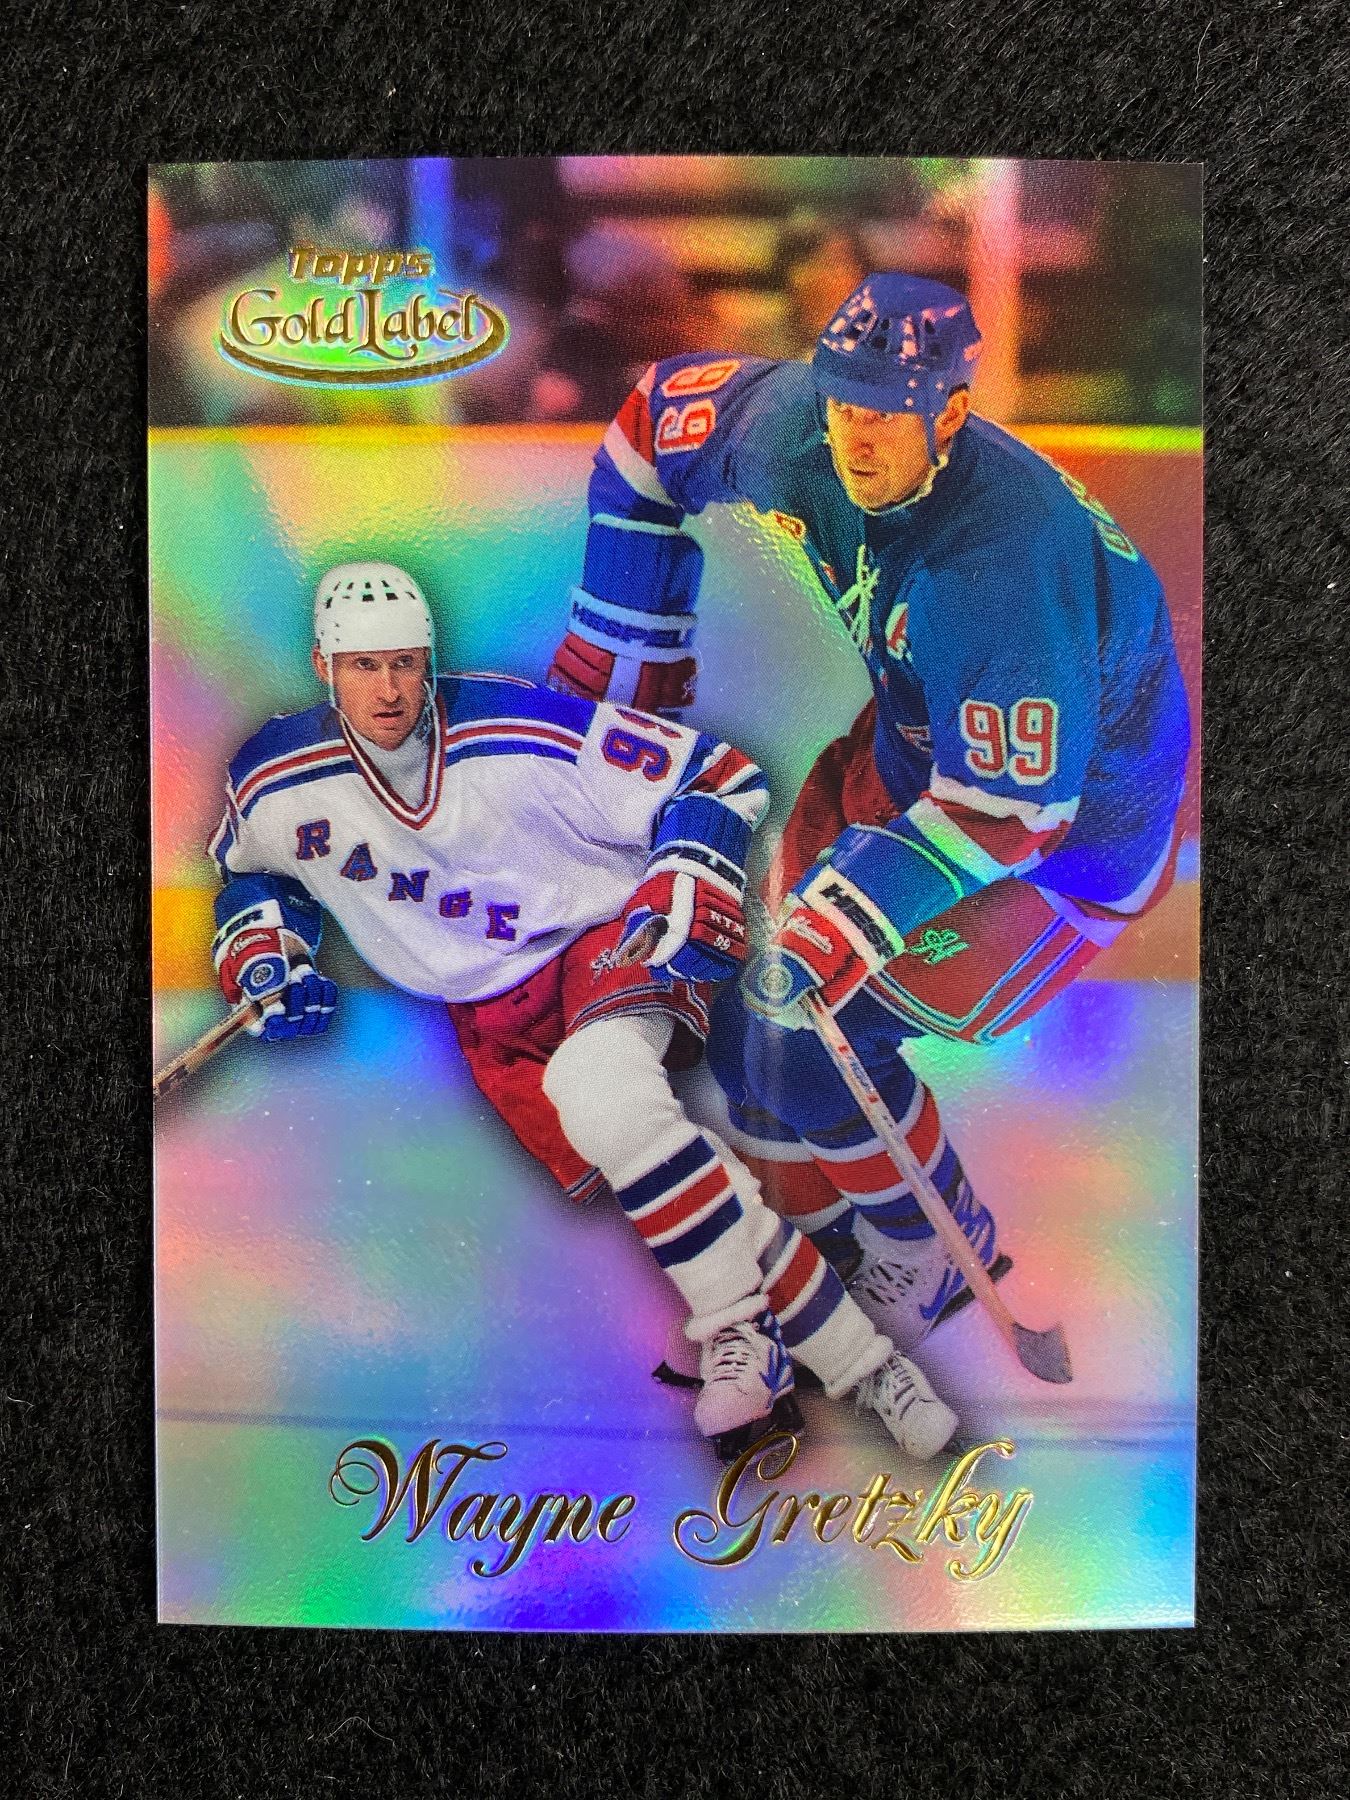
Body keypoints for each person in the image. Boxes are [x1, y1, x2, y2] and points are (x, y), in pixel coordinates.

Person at [547, 271, 1191, 1355]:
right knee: (747, 1031)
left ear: (952, 410)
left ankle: (930, 1250)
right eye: (843, 400)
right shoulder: (795, 429)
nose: (854, 434)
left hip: (1069, 845)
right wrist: (627, 643)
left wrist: (844, 919)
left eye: (887, 411)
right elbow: (653, 422)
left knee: (802, 1035)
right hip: (914, 750)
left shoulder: (1001, 568)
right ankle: (815, 1259)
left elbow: (1012, 815)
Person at [205, 559, 959, 1461]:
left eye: (405, 663)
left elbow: (717, 776)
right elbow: (251, 878)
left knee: (602, 1094)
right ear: (324, 669)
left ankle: (737, 1332)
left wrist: (688, 870)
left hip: (597, 939)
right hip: (484, 1015)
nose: (390, 690)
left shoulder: (515, 727)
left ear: (429, 662)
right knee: (657, 1163)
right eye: (365, 667)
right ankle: (871, 1370)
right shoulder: (275, 777)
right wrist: (264, 957)